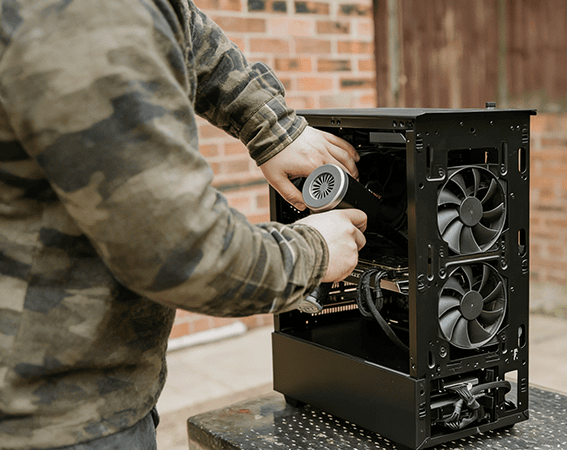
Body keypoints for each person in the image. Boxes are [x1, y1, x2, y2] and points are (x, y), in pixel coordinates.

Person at [0, 0, 367, 448]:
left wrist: (272, 127)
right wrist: (313, 254)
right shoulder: (88, 14)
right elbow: (177, 251)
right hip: (52, 418)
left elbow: (184, 26)